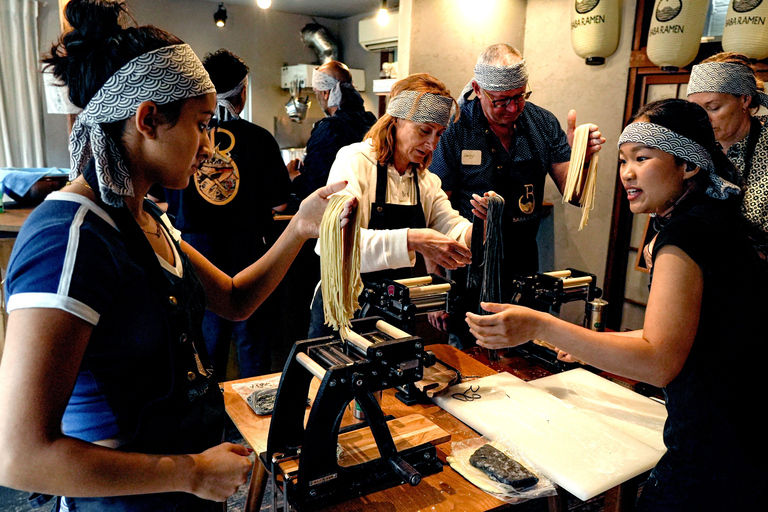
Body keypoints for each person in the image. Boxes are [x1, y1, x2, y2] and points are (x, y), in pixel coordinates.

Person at [0, 1, 354, 510]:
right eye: (202, 123)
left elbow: (233, 299)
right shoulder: (69, 238)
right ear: (148, 119)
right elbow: (21, 455)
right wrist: (189, 473)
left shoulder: (149, 219)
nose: (210, 146)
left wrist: (300, 227)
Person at [467, 98, 768, 512]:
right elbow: (697, 331)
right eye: (624, 159)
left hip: (714, 451)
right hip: (748, 440)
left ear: (690, 165)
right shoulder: (715, 219)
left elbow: (660, 360)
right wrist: (592, 342)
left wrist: (541, 325)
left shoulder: (685, 234)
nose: (626, 172)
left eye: (642, 158)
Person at [429, 43, 603, 345]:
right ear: (477, 89)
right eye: (501, 101)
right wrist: (437, 285)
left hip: (524, 259)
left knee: (521, 349)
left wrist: (580, 160)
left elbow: (572, 193)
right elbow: (433, 208)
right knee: (471, 355)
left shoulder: (542, 123)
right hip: (468, 264)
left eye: (520, 97)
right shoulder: (455, 129)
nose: (512, 108)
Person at [308, 73, 489, 338]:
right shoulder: (353, 161)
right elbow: (337, 245)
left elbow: (450, 226)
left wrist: (482, 224)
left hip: (393, 312)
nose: (432, 145)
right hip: (342, 310)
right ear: (395, 121)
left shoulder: (424, 181)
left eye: (439, 134)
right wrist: (413, 238)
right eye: (424, 130)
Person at [164, 49, 292, 379]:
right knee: (252, 338)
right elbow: (280, 205)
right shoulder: (260, 139)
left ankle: (212, 420)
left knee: (206, 339)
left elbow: (167, 197)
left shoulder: (184, 137)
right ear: (243, 92)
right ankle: (257, 418)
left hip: (194, 246)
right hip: (247, 246)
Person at [687, 52, 768, 252]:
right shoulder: (693, 149)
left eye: (713, 107)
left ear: (745, 100)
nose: (704, 120)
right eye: (697, 110)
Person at [286, 60, 377, 201]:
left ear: (326, 93)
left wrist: (295, 177)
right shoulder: (372, 122)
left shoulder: (330, 129)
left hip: (336, 212)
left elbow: (314, 189)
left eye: (317, 94)